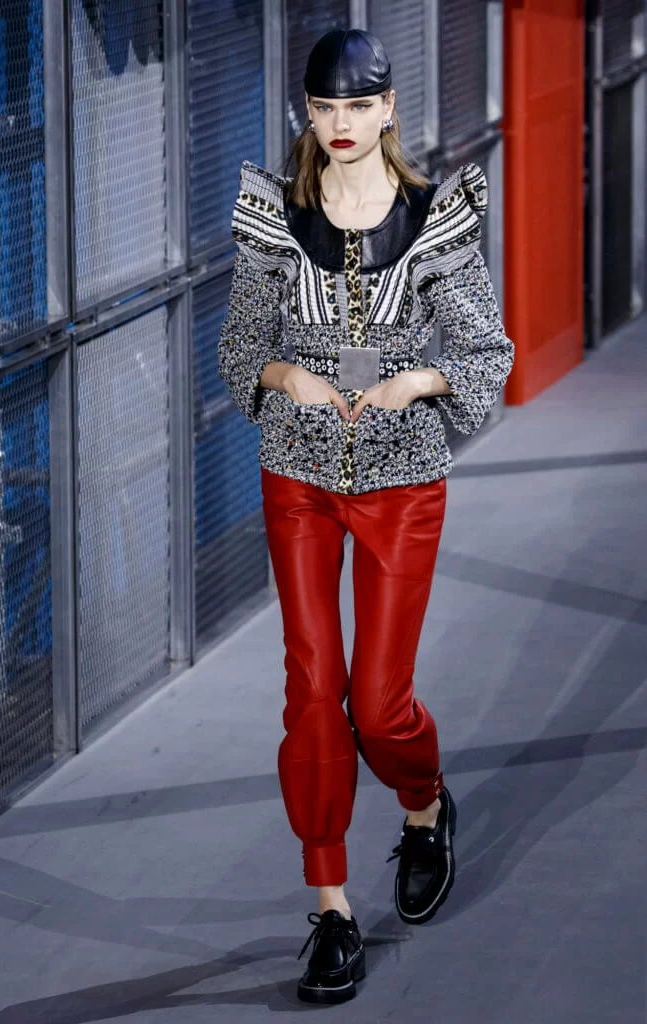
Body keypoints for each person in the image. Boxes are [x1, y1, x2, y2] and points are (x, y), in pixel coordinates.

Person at [217, 28, 514, 1006]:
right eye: (324, 107)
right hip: (297, 475)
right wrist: (286, 375)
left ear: (388, 107)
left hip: (401, 480)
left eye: (358, 106)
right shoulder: (274, 217)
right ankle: (332, 908)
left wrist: (416, 381)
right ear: (307, 112)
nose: (340, 124)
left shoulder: (435, 221)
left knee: (379, 705)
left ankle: (424, 808)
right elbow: (238, 352)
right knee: (313, 691)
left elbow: (485, 352)